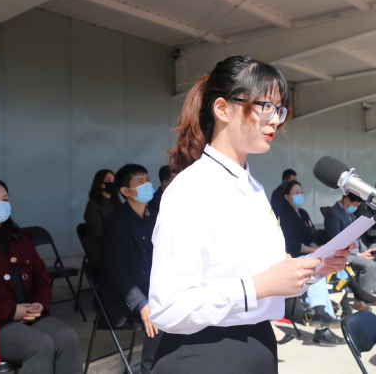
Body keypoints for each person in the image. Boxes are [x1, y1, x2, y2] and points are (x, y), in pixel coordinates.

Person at [148, 55, 351, 373]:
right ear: (222, 109)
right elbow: (169, 307)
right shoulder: (191, 189)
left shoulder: (253, 187)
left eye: (279, 110)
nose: (275, 121)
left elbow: (265, 278)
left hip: (257, 343)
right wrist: (259, 286)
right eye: (265, 106)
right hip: (205, 355)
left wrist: (313, 269)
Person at [0, 175, 82, 374]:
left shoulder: (20, 238)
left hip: (27, 313)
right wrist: (10, 310)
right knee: (39, 344)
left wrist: (40, 303)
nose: (1, 204)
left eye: (5, 199)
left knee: (67, 337)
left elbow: (41, 275)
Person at [98, 163, 161, 374]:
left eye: (147, 179)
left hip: (153, 290)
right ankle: (148, 369)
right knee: (160, 313)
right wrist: (142, 304)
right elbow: (117, 270)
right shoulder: (115, 222)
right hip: (126, 298)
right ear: (125, 191)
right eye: (140, 181)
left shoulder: (156, 217)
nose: (147, 185)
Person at [278, 180, 345, 344]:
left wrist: (319, 248)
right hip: (293, 257)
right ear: (286, 197)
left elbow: (310, 237)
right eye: (296, 193)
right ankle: (322, 320)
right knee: (315, 266)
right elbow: (292, 245)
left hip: (308, 254)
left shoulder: (303, 213)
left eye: (301, 192)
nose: (300, 195)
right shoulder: (284, 215)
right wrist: (314, 250)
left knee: (332, 265)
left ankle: (324, 316)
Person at [324, 192, 376, 311]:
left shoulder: (349, 213)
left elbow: (357, 236)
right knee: (369, 265)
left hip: (357, 251)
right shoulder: (333, 214)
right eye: (355, 204)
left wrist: (365, 250)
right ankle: (361, 300)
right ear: (346, 199)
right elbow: (335, 240)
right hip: (344, 254)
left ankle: (373, 293)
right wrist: (358, 254)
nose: (356, 208)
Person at [83, 169, 121, 270]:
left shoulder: (117, 203)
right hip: (101, 248)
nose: (112, 183)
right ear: (100, 184)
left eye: (114, 180)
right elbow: (99, 233)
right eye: (108, 180)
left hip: (117, 244)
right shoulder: (93, 206)